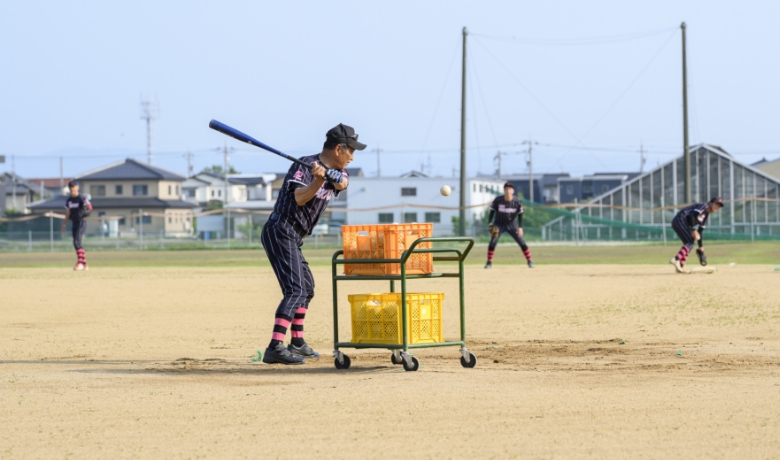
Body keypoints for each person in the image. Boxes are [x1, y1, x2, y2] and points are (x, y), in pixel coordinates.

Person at [260, 123, 366, 365]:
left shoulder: (341, 171)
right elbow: (299, 198)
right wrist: (318, 180)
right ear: (339, 149)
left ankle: (297, 343)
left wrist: (332, 176)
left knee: (307, 288)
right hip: (280, 229)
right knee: (296, 289)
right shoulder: (303, 165)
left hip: (294, 236)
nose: (352, 157)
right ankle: (275, 346)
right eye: (351, 151)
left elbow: (343, 184)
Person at [485, 182, 534, 269]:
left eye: (510, 189)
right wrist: (490, 222)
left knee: (521, 241)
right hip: (499, 224)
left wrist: (520, 227)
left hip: (511, 224)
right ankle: (489, 262)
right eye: (506, 189)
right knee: (493, 242)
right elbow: (492, 211)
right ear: (504, 191)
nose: (508, 191)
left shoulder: (517, 201)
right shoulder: (498, 200)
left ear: (513, 191)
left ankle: (530, 261)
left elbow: (520, 214)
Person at [669, 197, 724, 273]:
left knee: (689, 243)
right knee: (690, 243)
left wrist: (701, 248)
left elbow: (700, 232)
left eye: (719, 206)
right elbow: (691, 215)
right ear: (710, 202)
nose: (717, 207)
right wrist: (693, 229)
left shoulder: (705, 216)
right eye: (716, 204)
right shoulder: (704, 206)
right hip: (680, 219)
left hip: (682, 222)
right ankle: (676, 259)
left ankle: (680, 267)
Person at [60, 180, 92, 271]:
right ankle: (84, 264)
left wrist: (88, 210)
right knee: (77, 243)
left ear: (77, 187)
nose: (72, 189)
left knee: (76, 242)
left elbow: (89, 206)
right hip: (74, 222)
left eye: (73, 187)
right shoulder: (69, 200)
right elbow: (68, 213)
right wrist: (64, 224)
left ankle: (80, 263)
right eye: (70, 188)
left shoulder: (81, 198)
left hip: (81, 222)